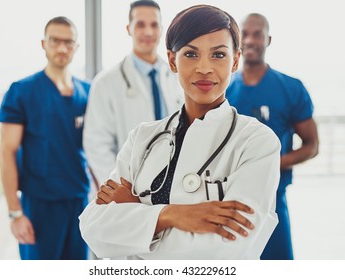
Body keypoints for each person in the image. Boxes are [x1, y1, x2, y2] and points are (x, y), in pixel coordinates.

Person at [79, 5, 281, 260]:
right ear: (173, 60)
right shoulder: (142, 137)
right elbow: (93, 227)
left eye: (218, 55)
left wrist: (135, 216)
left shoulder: (257, 142)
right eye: (191, 54)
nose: (204, 67)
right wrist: (172, 215)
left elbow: (224, 251)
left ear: (236, 61)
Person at [226, 13, 319, 260]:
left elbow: (312, 145)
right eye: (244, 33)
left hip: (273, 200)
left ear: (268, 39)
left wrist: (272, 164)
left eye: (257, 34)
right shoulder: (223, 91)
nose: (250, 40)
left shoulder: (290, 88)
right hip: (228, 201)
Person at [0, 16, 90, 260]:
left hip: (80, 202)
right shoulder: (22, 91)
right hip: (39, 206)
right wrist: (15, 213)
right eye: (55, 41)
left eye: (68, 42)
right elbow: (7, 151)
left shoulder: (87, 92)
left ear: (76, 47)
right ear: (43, 43)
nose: (61, 48)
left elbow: (96, 148)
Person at [83, 0, 183, 186]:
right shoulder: (106, 82)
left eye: (154, 25)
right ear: (129, 29)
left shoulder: (177, 76)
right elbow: (97, 145)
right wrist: (119, 187)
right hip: (129, 184)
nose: (148, 32)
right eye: (140, 25)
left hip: (176, 180)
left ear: (161, 29)